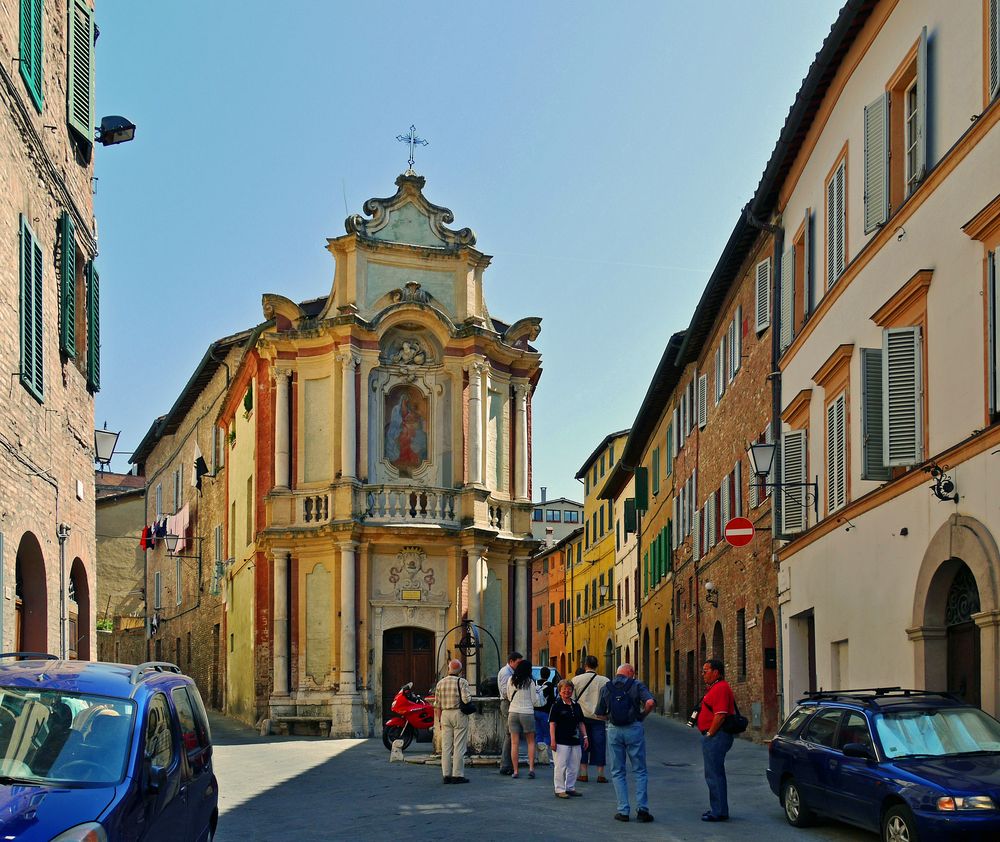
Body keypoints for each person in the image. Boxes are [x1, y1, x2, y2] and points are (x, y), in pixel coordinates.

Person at [596, 664, 655, 823]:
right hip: (633, 728)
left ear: (617, 673)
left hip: (614, 731)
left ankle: (623, 811)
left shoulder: (606, 687)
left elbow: (599, 714)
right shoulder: (636, 684)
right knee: (640, 770)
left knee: (617, 771)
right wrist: (642, 716)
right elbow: (650, 702)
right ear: (630, 673)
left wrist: (610, 719)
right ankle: (642, 810)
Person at [698, 658, 736, 822]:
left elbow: (720, 715)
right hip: (716, 736)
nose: (703, 674)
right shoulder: (716, 687)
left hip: (716, 736)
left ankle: (718, 811)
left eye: (705, 671)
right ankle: (719, 808)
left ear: (716, 672)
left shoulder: (720, 688)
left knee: (713, 774)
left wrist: (710, 733)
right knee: (715, 773)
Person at [572, 655, 610, 783]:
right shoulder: (605, 681)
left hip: (582, 717)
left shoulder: (576, 680)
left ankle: (583, 773)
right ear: (597, 665)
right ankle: (601, 774)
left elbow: (572, 700)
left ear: (585, 665)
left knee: (583, 744)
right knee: (600, 744)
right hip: (599, 717)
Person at [433, 659, 472, 784]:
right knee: (459, 745)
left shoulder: (440, 683)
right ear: (460, 671)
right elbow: (466, 700)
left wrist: (439, 720)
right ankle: (457, 775)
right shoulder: (462, 682)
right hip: (458, 713)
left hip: (445, 714)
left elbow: (437, 704)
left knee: (446, 747)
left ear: (449, 668)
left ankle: (446, 775)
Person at [548, 679, 588, 798]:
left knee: (574, 765)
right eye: (564, 689)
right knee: (560, 766)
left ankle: (570, 787)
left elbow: (581, 722)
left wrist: (585, 736)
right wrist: (553, 740)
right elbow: (552, 724)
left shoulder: (576, 705)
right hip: (561, 740)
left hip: (575, 740)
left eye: (569, 689)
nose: (567, 691)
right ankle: (559, 789)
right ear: (559, 691)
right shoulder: (556, 706)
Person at [505, 660, 540, 778]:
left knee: (514, 743)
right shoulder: (530, 682)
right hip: (527, 713)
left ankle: (515, 771)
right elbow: (534, 700)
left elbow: (509, 696)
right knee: (530, 742)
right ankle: (531, 769)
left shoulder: (510, 680)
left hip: (513, 712)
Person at [497, 652, 523, 775]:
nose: (519, 665)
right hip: (507, 704)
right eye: (518, 662)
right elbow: (504, 691)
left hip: (511, 704)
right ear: (511, 661)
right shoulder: (505, 673)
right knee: (510, 735)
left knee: (511, 735)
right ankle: (506, 764)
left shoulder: (511, 672)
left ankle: (509, 763)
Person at [534, 666, 556, 748]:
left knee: (538, 733)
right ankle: (545, 753)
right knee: (547, 733)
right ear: (549, 675)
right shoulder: (550, 685)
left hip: (535, 711)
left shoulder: (534, 683)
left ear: (540, 674)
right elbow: (552, 700)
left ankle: (539, 752)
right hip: (545, 712)